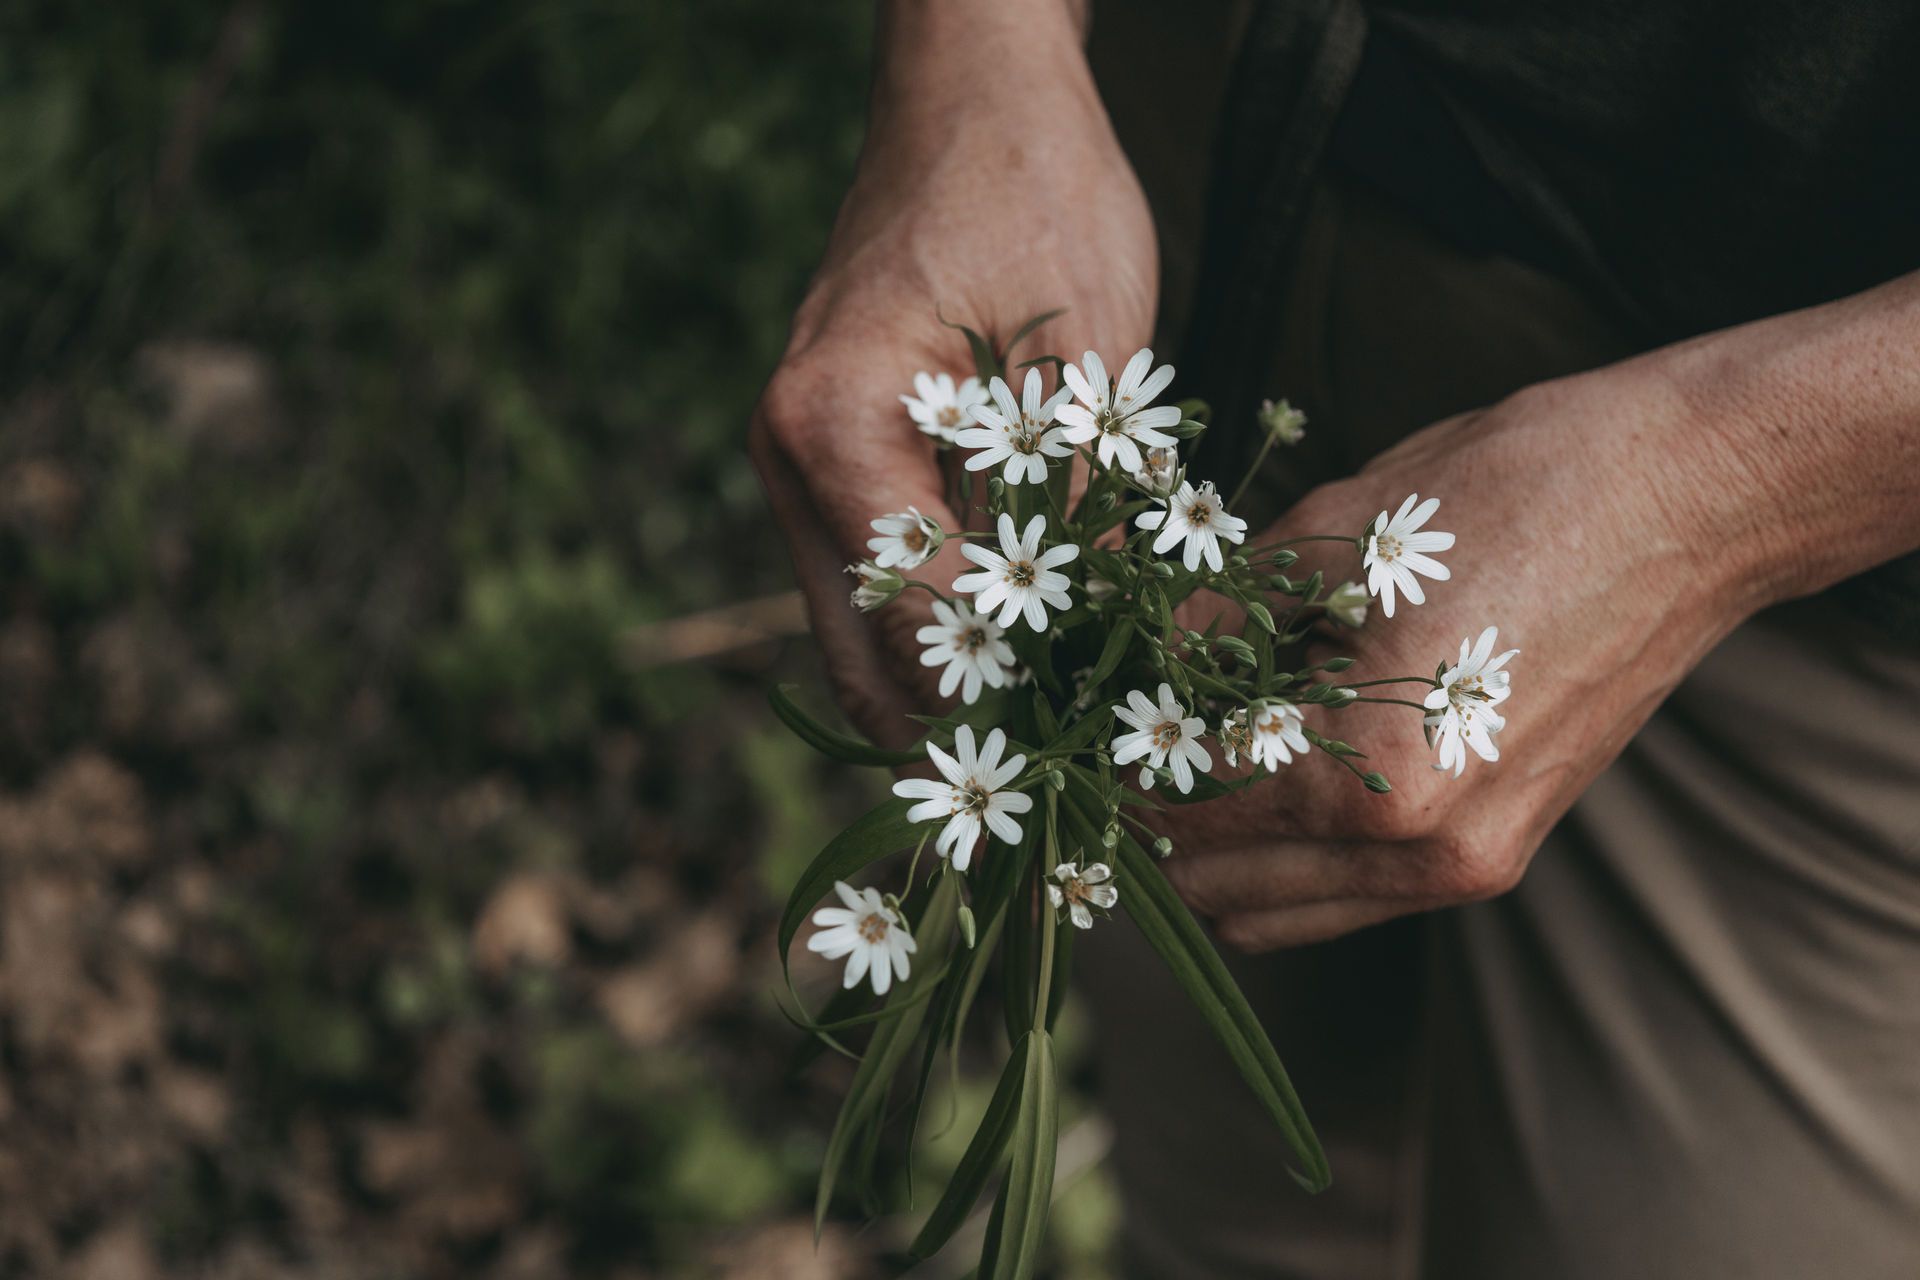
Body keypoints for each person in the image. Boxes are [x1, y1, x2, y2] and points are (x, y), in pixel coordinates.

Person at [750, 2, 1920, 1275]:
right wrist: (977, 52)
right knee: (1225, 1218)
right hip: (1177, 233)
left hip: (1843, 569)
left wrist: (1715, 496)